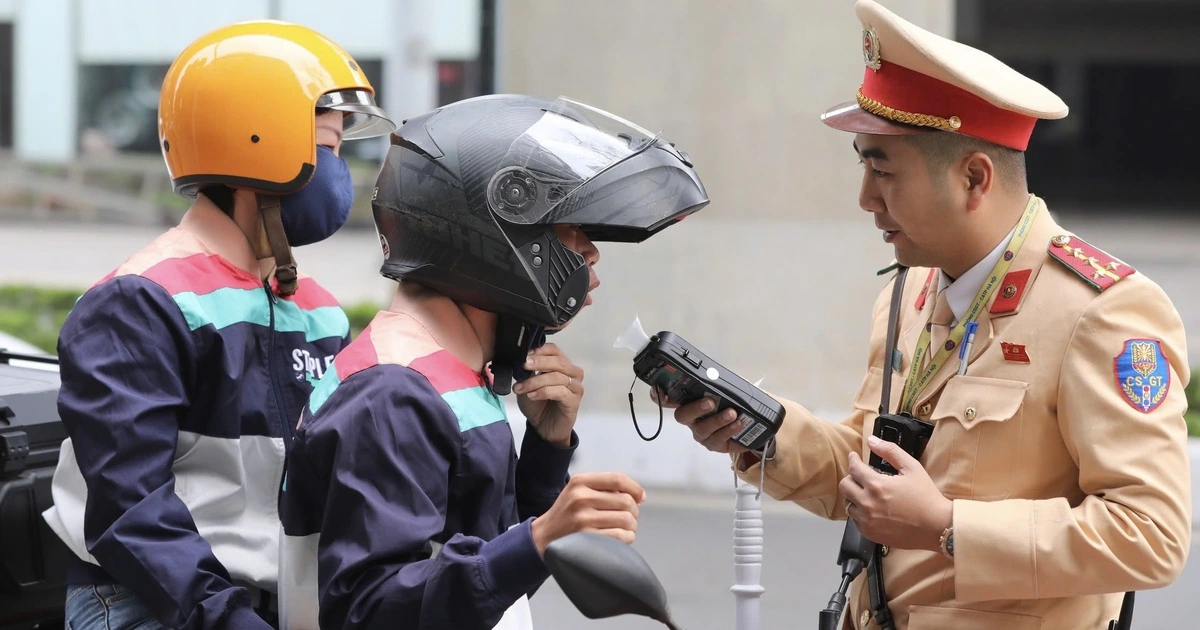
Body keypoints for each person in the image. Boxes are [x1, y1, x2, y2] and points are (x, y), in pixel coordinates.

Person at [667, 1, 1192, 628]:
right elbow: (870, 472)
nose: (865, 198)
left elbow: (1151, 534)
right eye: (862, 165)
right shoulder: (909, 294)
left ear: (974, 178)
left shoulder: (1100, 311)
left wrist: (947, 527)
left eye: (883, 170)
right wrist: (765, 434)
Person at [275, 94, 709, 630]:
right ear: (491, 232)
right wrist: (539, 538)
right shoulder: (392, 393)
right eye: (572, 228)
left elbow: (479, 578)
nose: (591, 254)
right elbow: (370, 609)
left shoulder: (446, 375)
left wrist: (545, 455)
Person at [40, 20, 396, 630]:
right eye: (327, 150)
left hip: (270, 604)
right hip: (147, 604)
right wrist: (226, 618)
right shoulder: (141, 302)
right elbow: (130, 510)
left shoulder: (314, 307)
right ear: (255, 143)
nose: (340, 176)